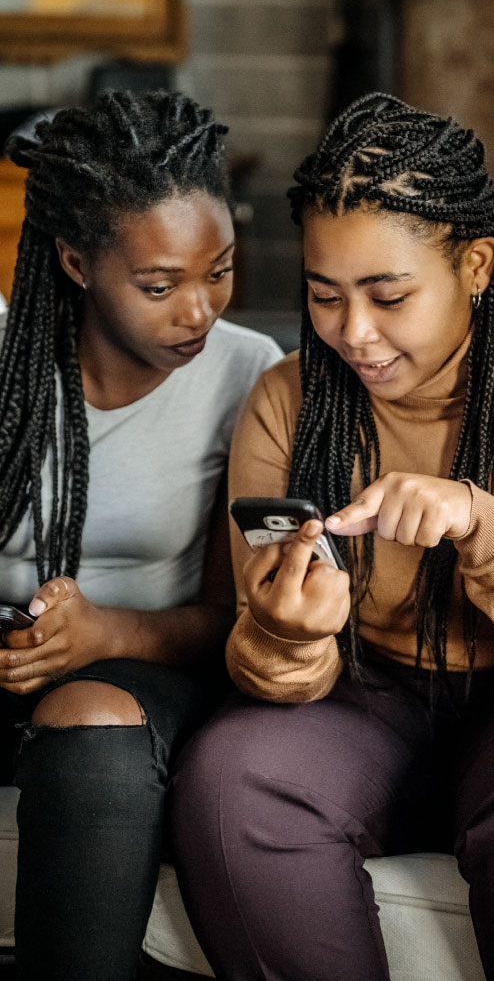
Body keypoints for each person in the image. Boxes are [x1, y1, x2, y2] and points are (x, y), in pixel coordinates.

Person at [170, 92, 494, 981]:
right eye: (324, 296)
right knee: (233, 776)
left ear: (478, 264)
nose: (353, 333)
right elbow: (261, 666)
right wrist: (287, 637)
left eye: (388, 295)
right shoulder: (286, 403)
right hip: (370, 696)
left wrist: (488, 529)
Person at [0, 90, 283, 981]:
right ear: (77, 262)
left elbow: (238, 615)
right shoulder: (8, 360)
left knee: (92, 726)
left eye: (219, 272)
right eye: (160, 285)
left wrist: (103, 634)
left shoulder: (247, 374)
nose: (198, 311)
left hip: (148, 674)